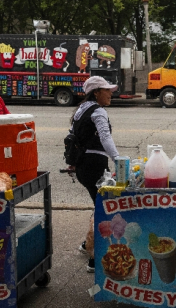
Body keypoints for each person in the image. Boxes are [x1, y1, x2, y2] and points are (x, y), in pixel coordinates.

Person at [69, 76, 120, 273]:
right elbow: (105, 138)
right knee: (103, 209)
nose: (111, 93)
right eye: (107, 90)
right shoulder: (98, 111)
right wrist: (118, 160)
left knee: (98, 204)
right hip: (94, 166)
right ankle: (94, 258)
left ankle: (86, 245)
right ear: (96, 92)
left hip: (82, 165)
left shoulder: (81, 110)